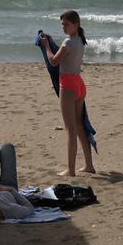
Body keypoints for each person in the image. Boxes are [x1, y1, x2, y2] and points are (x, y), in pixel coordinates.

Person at [43, 10, 96, 177]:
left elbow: (53, 60)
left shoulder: (68, 42)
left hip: (68, 85)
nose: (64, 27)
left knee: (70, 129)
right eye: (62, 25)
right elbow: (64, 54)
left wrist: (46, 46)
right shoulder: (79, 40)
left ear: (76, 24)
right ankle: (89, 165)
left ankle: (71, 170)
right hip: (79, 84)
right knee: (80, 126)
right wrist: (52, 42)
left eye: (66, 24)